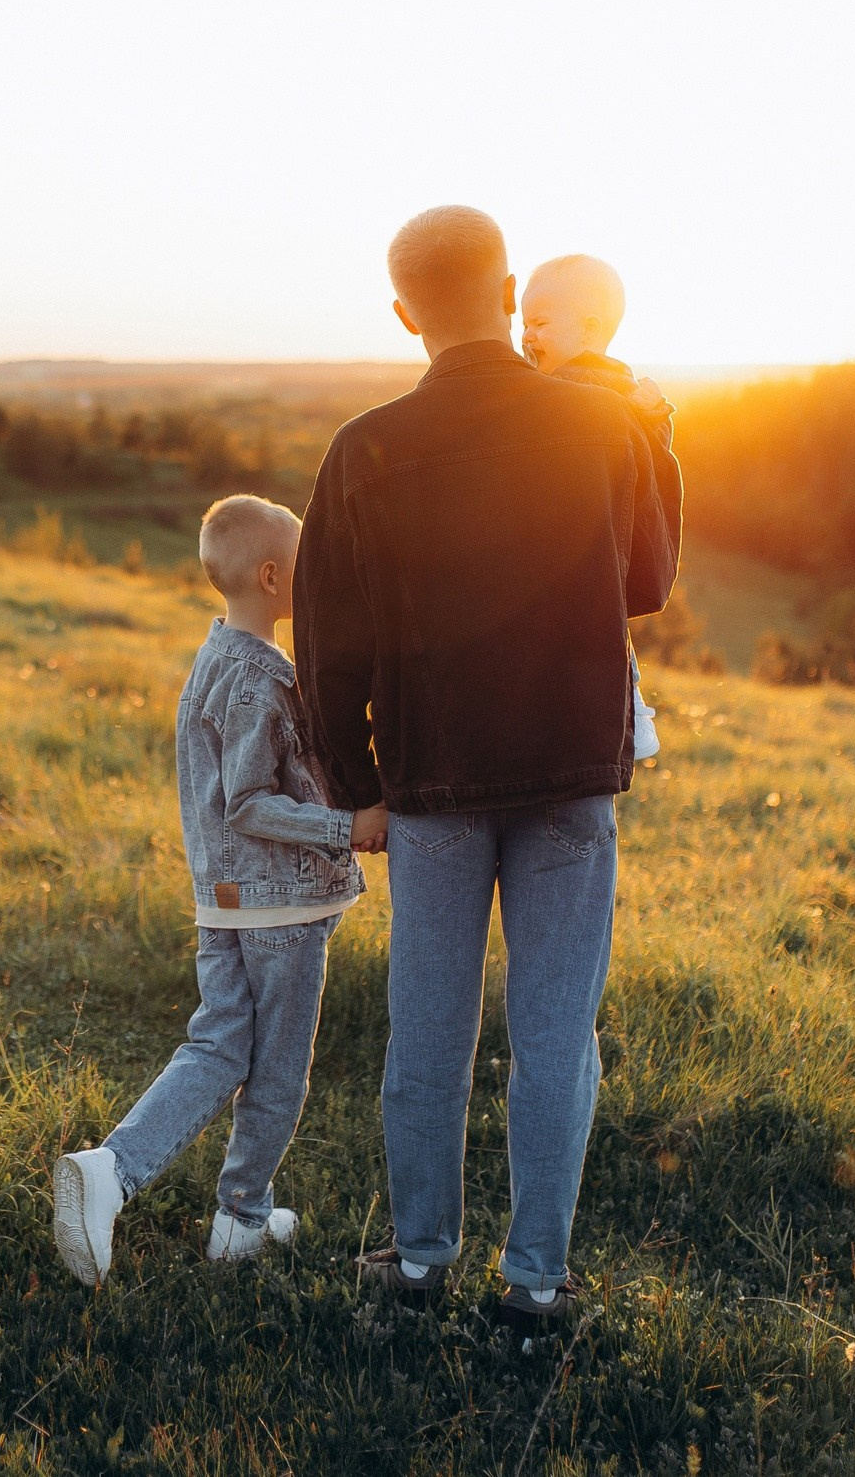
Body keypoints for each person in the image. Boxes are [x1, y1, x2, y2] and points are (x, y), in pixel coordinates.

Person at [293, 206, 681, 1334]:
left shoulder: (363, 449)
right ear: (509, 292)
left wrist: (354, 781)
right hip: (567, 773)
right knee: (556, 1035)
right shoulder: (595, 421)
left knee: (429, 1030)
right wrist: (653, 437)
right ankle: (535, 1286)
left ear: (406, 311)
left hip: (428, 784)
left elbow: (328, 639)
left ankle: (419, 1269)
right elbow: (647, 579)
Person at [52, 494, 389, 1288]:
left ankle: (111, 1171)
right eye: (308, 574)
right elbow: (247, 801)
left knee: (219, 1044)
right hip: (281, 907)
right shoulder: (257, 678)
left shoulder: (215, 658)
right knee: (276, 1070)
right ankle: (240, 1216)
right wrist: (349, 824)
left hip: (226, 898)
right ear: (274, 578)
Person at [520, 252, 670, 764]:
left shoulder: (579, 387)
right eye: (523, 324)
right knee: (602, 622)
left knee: (581, 628)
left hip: (573, 542)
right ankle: (632, 702)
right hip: (604, 548)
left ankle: (629, 704)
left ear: (588, 328)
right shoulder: (620, 385)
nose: (526, 335)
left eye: (538, 323)